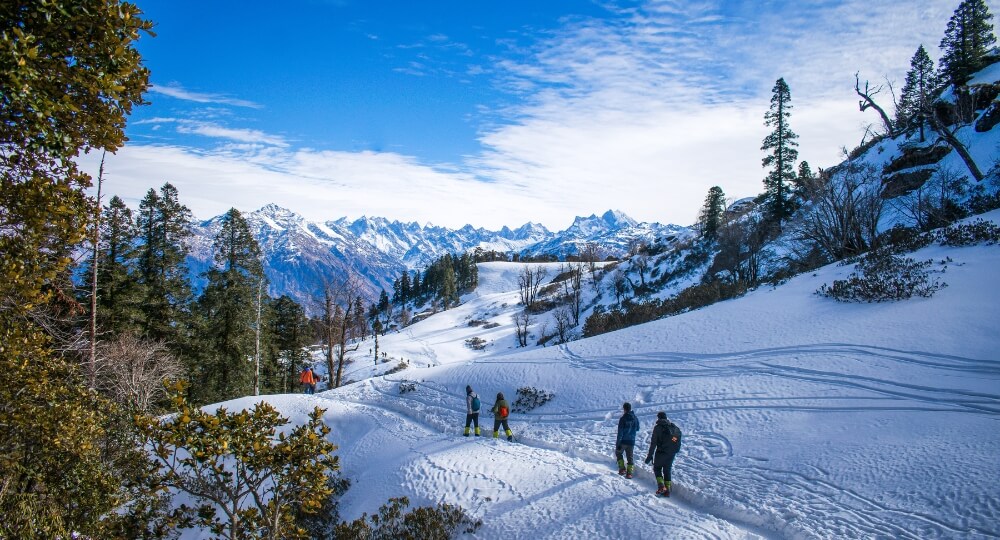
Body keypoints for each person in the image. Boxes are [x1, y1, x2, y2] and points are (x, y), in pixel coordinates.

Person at [644, 412, 682, 496]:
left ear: (658, 418)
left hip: (661, 452)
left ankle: (661, 486)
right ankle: (667, 490)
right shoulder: (673, 427)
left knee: (657, 468)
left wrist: (650, 456)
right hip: (671, 453)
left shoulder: (658, 428)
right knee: (667, 470)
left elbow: (653, 443)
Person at [615, 402, 640, 478]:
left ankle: (622, 469)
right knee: (630, 457)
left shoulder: (623, 419)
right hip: (631, 441)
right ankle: (629, 473)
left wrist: (618, 444)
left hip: (623, 441)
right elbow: (638, 428)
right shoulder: (635, 418)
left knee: (618, 453)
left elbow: (620, 432)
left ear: (624, 409)